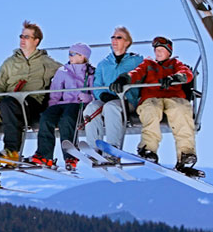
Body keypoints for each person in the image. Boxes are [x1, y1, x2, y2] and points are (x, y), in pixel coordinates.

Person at [0, 20, 61, 183]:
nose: (22, 39)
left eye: (27, 36)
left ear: (36, 41)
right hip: (5, 104)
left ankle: (12, 150)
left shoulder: (46, 63)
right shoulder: (10, 63)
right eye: (21, 36)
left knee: (9, 103)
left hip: (30, 102)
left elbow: (69, 73)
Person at [109, 36, 203, 177]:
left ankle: (186, 154)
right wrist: (124, 78)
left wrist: (175, 78)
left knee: (181, 111)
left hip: (174, 97)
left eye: (161, 50)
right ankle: (148, 149)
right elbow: (136, 73)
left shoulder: (175, 64)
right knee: (151, 112)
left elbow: (186, 74)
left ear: (168, 52)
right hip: (152, 97)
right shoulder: (148, 64)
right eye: (156, 50)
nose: (158, 53)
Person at [29, 43, 95, 170]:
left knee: (67, 119)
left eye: (72, 54)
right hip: (61, 104)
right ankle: (44, 154)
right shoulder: (63, 71)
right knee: (46, 118)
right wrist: (52, 107)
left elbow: (94, 91)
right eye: (69, 53)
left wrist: (89, 99)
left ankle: (70, 155)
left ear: (82, 57)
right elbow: (55, 91)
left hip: (77, 104)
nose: (69, 56)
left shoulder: (91, 73)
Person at [84, 26, 143, 155]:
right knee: (91, 108)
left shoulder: (136, 61)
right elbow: (97, 85)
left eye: (119, 37)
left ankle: (112, 148)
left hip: (127, 101)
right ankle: (94, 148)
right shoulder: (103, 64)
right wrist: (103, 95)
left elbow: (147, 68)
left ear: (127, 42)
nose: (115, 40)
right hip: (106, 100)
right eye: (113, 37)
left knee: (111, 107)